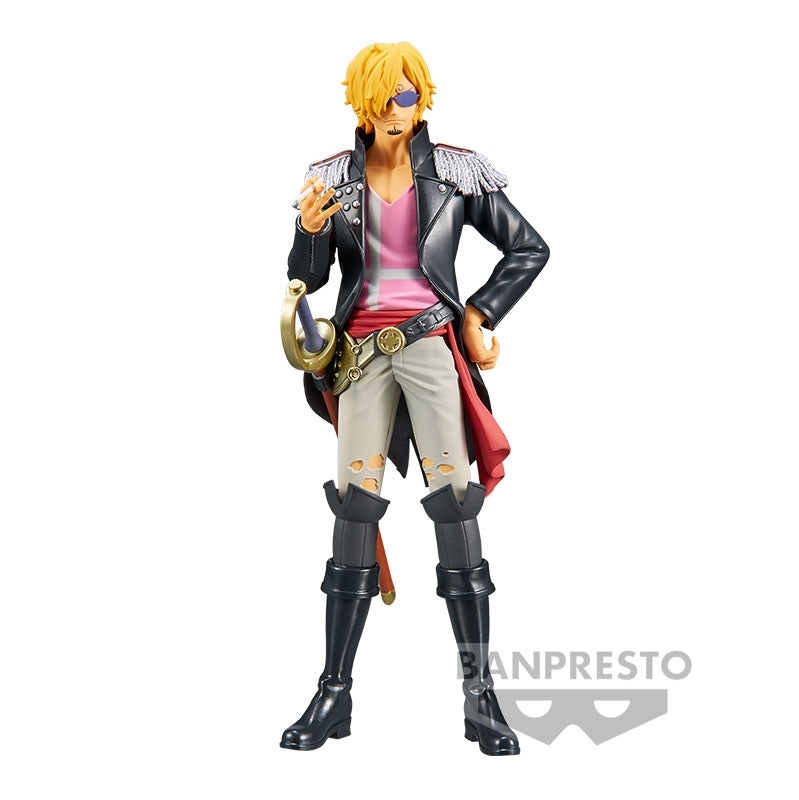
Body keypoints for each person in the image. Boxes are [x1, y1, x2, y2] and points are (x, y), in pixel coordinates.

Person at [280, 41, 549, 755]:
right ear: (361, 105)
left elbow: (529, 247)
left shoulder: (457, 173)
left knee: (455, 502)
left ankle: (480, 697)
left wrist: (480, 314)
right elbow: (305, 280)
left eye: (407, 96)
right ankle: (333, 694)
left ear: (423, 98)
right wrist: (309, 233)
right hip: (360, 356)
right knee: (353, 505)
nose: (396, 111)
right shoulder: (331, 180)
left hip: (430, 345)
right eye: (383, 99)